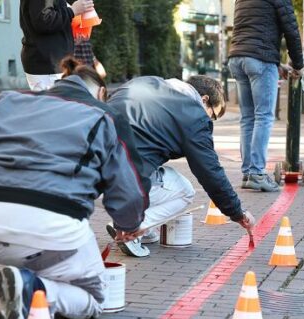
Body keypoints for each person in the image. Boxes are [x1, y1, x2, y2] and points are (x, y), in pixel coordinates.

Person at [0, 57, 150, 319]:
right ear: (101, 93)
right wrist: (129, 224)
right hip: (47, 222)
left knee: (46, 253)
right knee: (94, 295)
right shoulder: (103, 116)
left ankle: (24, 291)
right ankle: (36, 291)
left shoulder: (9, 100)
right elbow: (127, 190)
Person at [106, 75, 256, 257]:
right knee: (185, 191)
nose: (210, 121)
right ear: (204, 100)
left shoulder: (142, 82)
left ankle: (137, 223)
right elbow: (210, 173)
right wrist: (237, 212)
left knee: (161, 171)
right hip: (120, 182)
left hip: (85, 177)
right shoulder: (193, 116)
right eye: (213, 115)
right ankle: (133, 227)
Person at [227, 0, 304, 192]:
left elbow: (252, 31)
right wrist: (298, 65)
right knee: (263, 116)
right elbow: (291, 31)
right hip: (260, 60)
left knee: (248, 118)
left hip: (237, 58)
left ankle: (248, 173)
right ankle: (257, 173)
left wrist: (277, 65)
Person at [20, 0, 94, 91]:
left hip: (51, 62)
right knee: (52, 104)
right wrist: (73, 11)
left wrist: (70, 35)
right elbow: (43, 20)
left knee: (55, 103)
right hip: (47, 64)